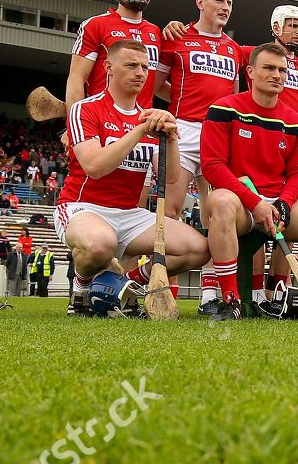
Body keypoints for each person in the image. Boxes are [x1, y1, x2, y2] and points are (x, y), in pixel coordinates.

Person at [201, 43, 298, 321]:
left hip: (277, 204)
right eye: (269, 68)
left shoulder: (296, 121)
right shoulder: (223, 108)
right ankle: (231, 299)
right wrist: (255, 203)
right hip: (241, 202)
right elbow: (212, 166)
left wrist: (284, 203)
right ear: (250, 73)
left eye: (282, 70)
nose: (277, 75)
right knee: (220, 201)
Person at [60, 39, 209, 317]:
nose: (140, 72)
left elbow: (171, 178)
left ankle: (129, 282)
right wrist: (139, 131)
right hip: (84, 207)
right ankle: (80, 288)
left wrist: (171, 137)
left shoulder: (149, 116)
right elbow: (94, 166)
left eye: (144, 66)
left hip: (130, 214)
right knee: (99, 245)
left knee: (198, 249)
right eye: (131, 65)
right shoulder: (86, 109)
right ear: (108, 68)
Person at [156, 0, 247, 313]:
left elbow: (235, 98)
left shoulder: (233, 48)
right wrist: (184, 103)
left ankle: (212, 295)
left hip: (220, 133)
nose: (225, 7)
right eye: (219, 1)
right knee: (170, 211)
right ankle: (165, 293)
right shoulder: (176, 38)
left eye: (229, 3)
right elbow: (157, 86)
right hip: (185, 130)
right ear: (200, 3)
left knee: (216, 213)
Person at [68, 0, 165, 110]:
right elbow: (77, 78)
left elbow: (157, 84)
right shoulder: (96, 24)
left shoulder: (155, 31)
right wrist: (75, 122)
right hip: (104, 118)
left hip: (142, 122)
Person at [266, 5, 298, 116]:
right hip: (269, 124)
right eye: (294, 26)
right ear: (277, 27)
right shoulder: (256, 54)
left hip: (297, 128)